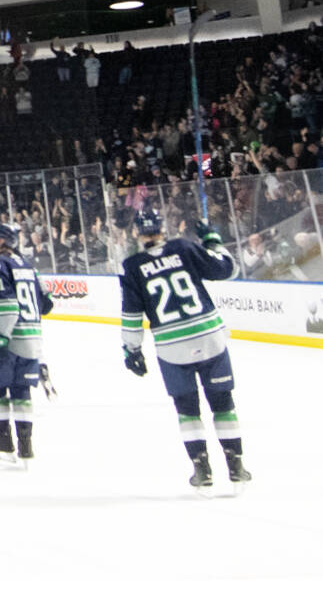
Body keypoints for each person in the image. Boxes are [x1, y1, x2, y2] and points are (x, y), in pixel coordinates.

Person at [119, 208, 249, 492]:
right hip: (209, 338)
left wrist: (132, 349)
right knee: (223, 403)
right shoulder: (184, 247)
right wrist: (213, 240)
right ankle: (236, 466)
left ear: (136, 233)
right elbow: (228, 269)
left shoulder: (131, 266)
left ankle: (202, 470)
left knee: (188, 410)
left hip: (171, 348)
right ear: (163, 229)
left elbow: (131, 312)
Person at [0, 222, 45, 462]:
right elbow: (47, 303)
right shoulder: (28, 265)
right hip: (32, 337)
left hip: (8, 337)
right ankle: (26, 446)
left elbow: (3, 303)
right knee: (21, 391)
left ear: (0, 241)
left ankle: (4, 439)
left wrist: (2, 336)